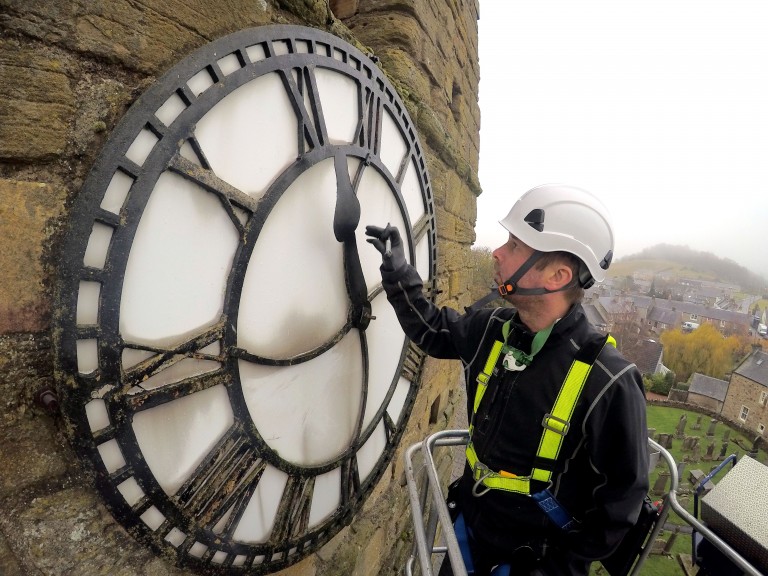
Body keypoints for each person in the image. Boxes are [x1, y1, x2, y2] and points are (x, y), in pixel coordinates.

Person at [366, 184, 649, 576]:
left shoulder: (609, 381)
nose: (497, 253)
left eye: (514, 245)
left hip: (532, 562)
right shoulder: (492, 330)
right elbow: (433, 330)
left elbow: (621, 503)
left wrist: (557, 566)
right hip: (467, 536)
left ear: (558, 275)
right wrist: (398, 272)